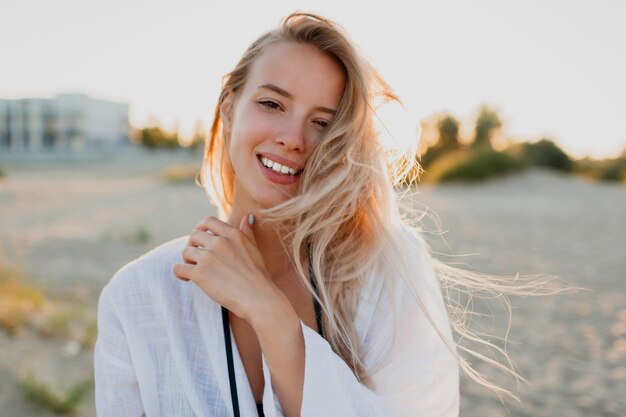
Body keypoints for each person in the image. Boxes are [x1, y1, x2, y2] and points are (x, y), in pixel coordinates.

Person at [94, 11, 552, 417]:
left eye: (323, 122)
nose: (294, 139)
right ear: (230, 108)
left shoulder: (387, 270)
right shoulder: (138, 297)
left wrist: (271, 316)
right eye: (272, 104)